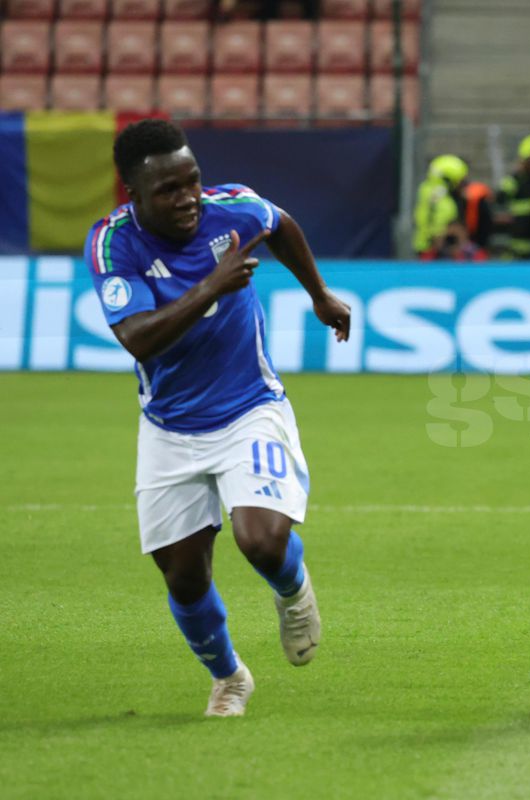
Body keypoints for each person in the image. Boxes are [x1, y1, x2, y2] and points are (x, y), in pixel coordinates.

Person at [85, 119, 351, 717]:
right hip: (169, 426)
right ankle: (230, 677)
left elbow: (279, 224)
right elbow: (137, 339)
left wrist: (318, 293)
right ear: (134, 194)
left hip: (249, 408)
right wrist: (212, 285)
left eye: (192, 182)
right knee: (182, 574)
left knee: (261, 538)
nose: (187, 199)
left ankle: (293, 590)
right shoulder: (112, 244)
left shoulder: (233, 208)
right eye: (169, 190)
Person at [413, 154, 468, 257]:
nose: (461, 185)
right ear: (448, 179)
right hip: (432, 250)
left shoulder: (431, 191)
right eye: (459, 181)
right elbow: (433, 225)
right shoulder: (437, 196)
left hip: (436, 247)